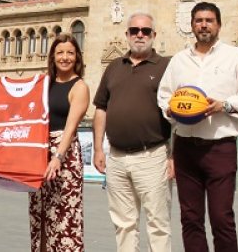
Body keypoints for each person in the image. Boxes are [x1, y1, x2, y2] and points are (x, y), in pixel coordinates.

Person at [157, 2, 238, 252]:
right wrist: (171, 110)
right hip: (186, 148)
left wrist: (224, 105)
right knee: (190, 219)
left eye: (209, 20)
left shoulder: (236, 57)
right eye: (199, 20)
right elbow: (164, 95)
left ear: (219, 25)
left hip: (220, 147)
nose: (204, 25)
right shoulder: (179, 60)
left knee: (222, 218)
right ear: (192, 25)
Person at [93, 13, 175, 252]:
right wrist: (98, 149)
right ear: (127, 35)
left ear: (154, 36)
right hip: (116, 157)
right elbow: (101, 108)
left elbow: (179, 111)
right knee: (123, 223)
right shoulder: (114, 67)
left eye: (146, 31)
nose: (140, 35)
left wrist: (173, 155)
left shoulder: (166, 66)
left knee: (158, 224)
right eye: (135, 30)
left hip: (153, 155)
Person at [31, 33, 91, 251]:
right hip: (39, 154)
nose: (65, 57)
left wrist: (57, 156)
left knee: (65, 217)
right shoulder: (44, 84)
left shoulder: (79, 87)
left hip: (64, 157)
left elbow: (70, 128)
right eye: (60, 53)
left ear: (77, 57)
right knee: (41, 217)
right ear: (52, 57)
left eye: (70, 53)